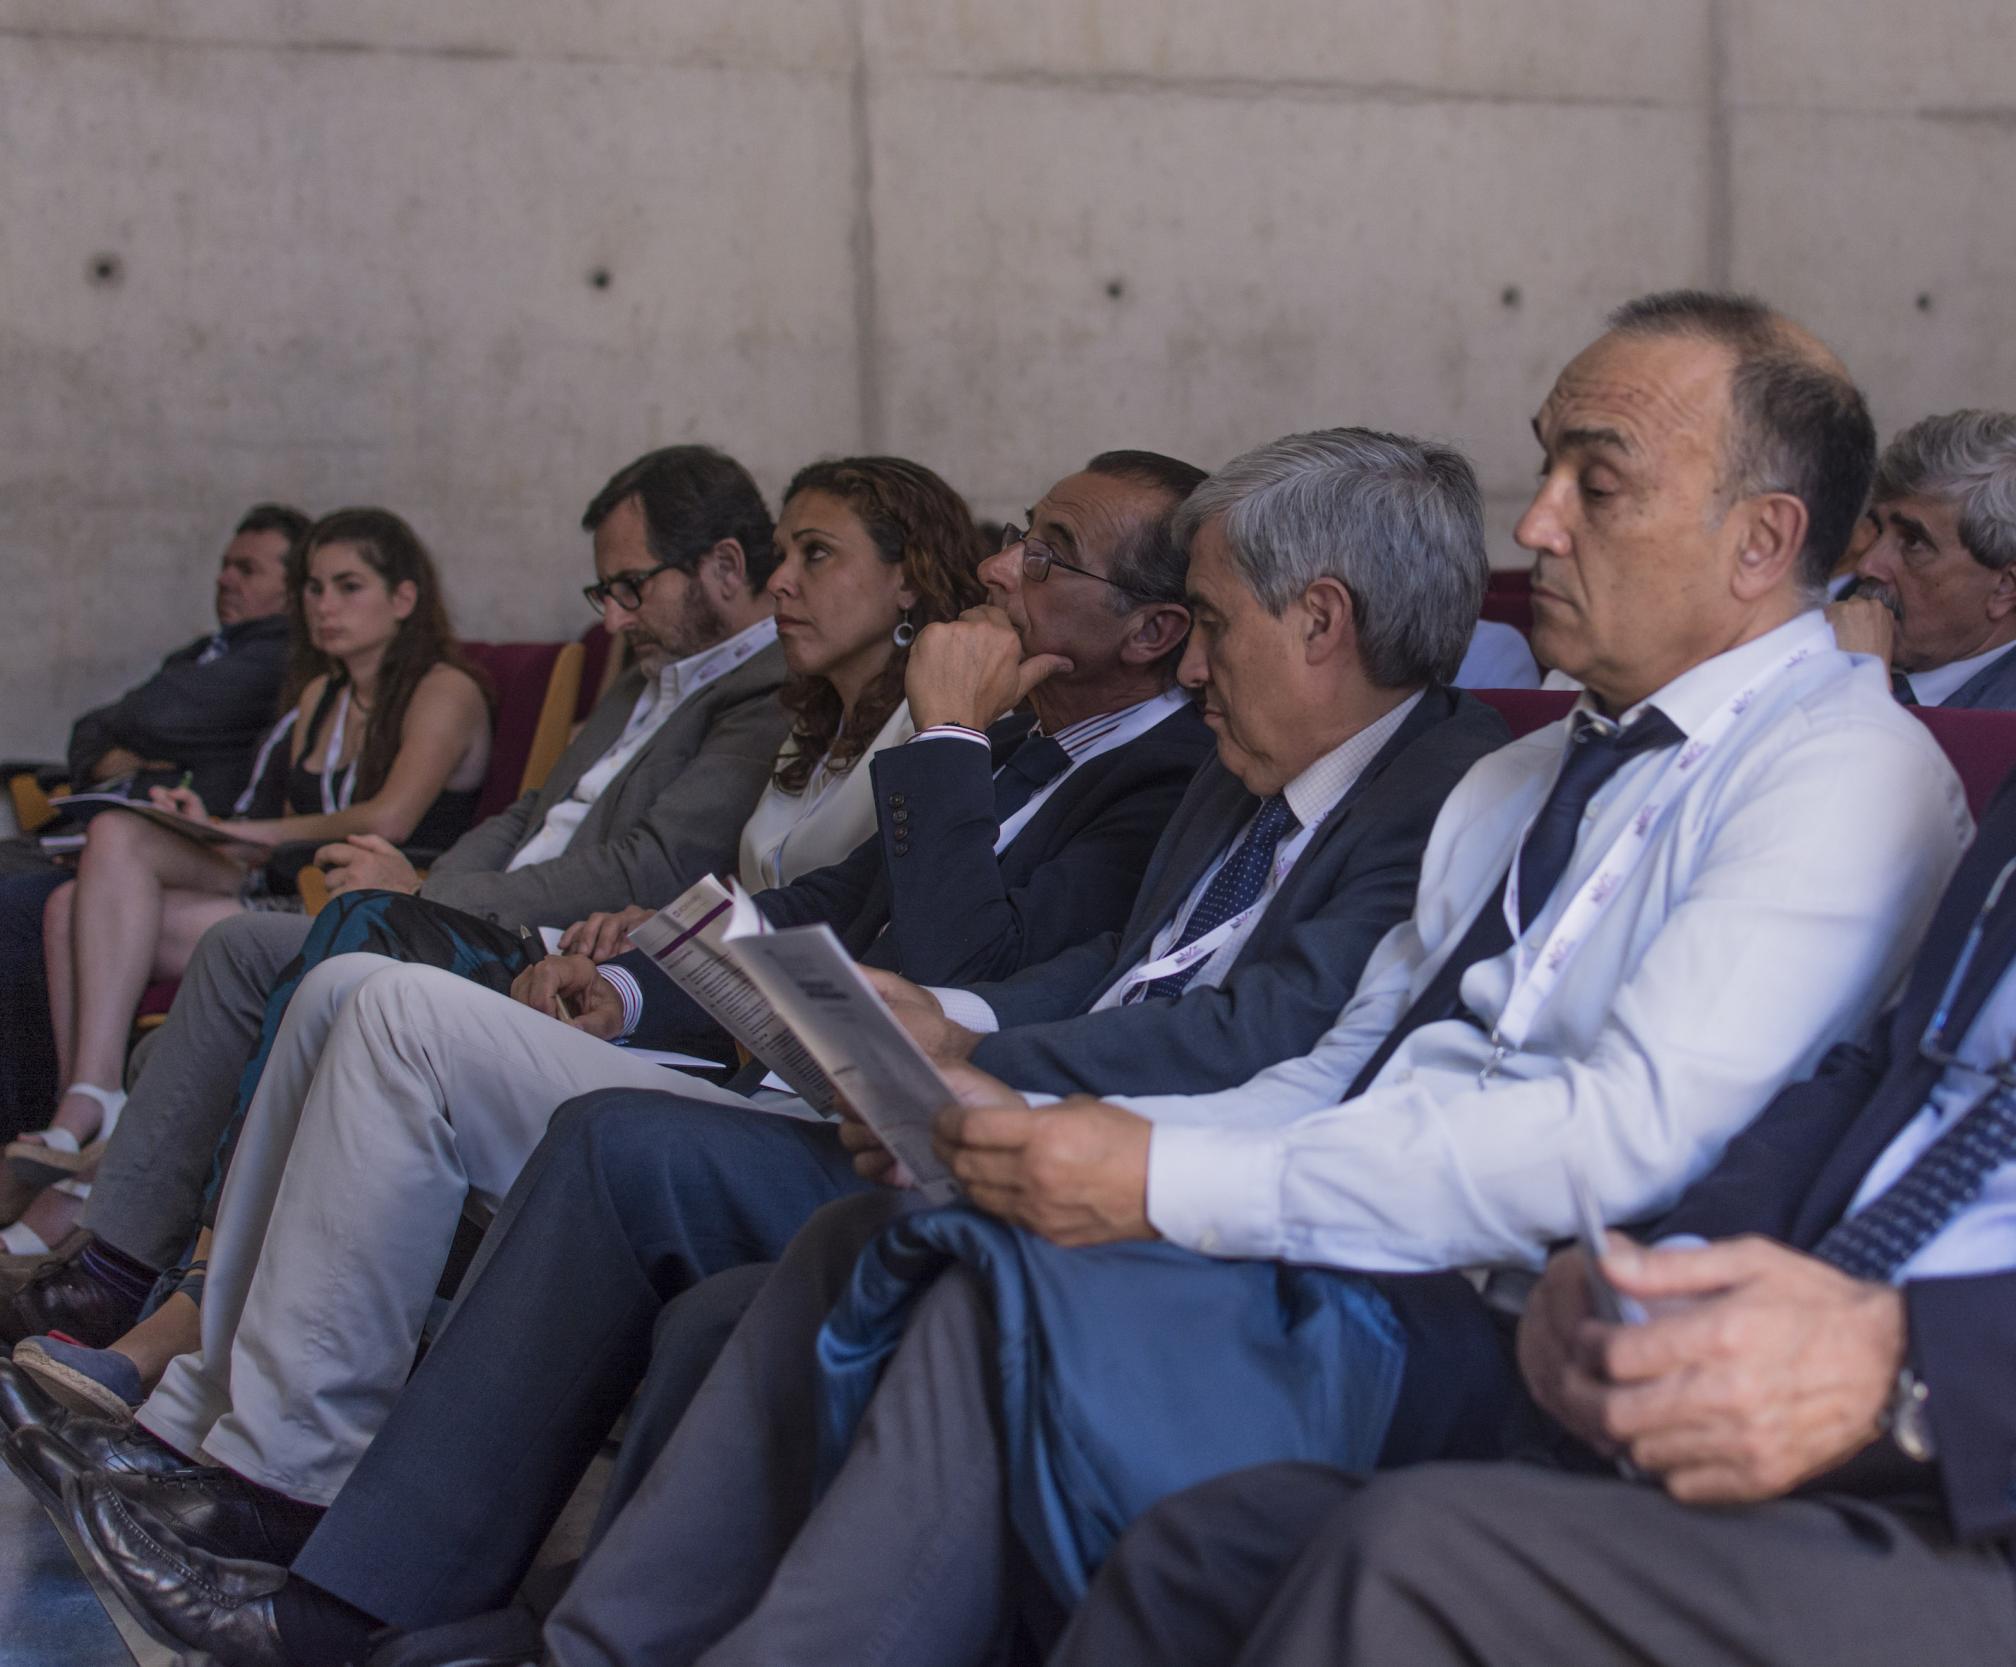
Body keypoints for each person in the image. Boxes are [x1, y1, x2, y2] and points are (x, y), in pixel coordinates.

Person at [1046, 213, 2016, 1667]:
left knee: (1412, 1564)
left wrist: (1913, 1365)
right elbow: (1872, 1084)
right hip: (1806, 1440)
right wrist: (1645, 1266)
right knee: (1208, 1552)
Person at [497, 292, 1971, 1667]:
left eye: (1599, 482)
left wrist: (1161, 1178)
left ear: (1763, 537)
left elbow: (1622, 1143)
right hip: (1347, 1243)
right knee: (888, 1224)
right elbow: (1343, 1061)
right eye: (1545, 471)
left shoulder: (1843, 775)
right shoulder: (1528, 769)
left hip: (1507, 1325)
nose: (1533, 526)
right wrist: (1057, 1138)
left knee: (995, 1285)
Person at [106, 429, 1513, 1666]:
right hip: (930, 1093)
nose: (1007, 567)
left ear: (1317, 620)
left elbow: (1252, 1028)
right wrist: (905, 1019)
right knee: (570, 1125)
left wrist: (973, 1023)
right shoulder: (1228, 760)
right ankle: (377, 1574)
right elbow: (1071, 962)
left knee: (607, 1150)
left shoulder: (1400, 783)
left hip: (1146, 1172)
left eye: (1207, 617)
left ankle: (369, 1569)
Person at [0, 448, 1214, 1579]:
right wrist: (630, 985)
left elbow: (965, 968)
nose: (1005, 567)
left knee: (395, 1009)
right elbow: (815, 906)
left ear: (1157, 628)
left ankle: (282, 1474)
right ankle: (196, 1412)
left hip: (866, 1119)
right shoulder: (1009, 737)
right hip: (764, 1064)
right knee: (347, 983)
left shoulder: (1153, 779)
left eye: (1048, 552)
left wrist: (946, 730)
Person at [6, 453, 993, 1422]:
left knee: (352, 943)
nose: (612, 613)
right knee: (235, 950)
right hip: (637, 962)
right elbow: (534, 809)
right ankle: (115, 1263)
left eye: (810, 554)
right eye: (603, 588)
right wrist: (432, 883)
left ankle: (202, 1294)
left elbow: (666, 863)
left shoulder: (784, 697)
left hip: (643, 978)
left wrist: (450, 898)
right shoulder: (761, 703)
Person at [1, 510, 494, 1254]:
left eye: (348, 586)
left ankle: (85, 1147)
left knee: (87, 890)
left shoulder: (444, 686)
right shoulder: (320, 698)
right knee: (81, 882)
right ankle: (95, 1095)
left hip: (374, 908)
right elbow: (279, 832)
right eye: (314, 588)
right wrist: (212, 822)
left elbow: (389, 818)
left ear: (403, 597)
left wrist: (250, 834)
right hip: (288, 888)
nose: (324, 605)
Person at [0, 503, 309, 1135]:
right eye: (225, 565)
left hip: (196, 858)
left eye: (247, 569)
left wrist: (132, 739)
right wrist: (118, 744)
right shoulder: (207, 651)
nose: (226, 579)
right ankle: (71, 1123)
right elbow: (90, 730)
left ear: (290, 589)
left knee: (25, 906)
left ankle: (28, 1129)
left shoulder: (274, 654)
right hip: (112, 843)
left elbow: (148, 718)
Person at [1826, 410, 2016, 710]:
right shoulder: (1884, 661)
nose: (1867, 564)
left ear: (2008, 585)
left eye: (1913, 542)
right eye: (1879, 530)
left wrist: (1858, 686)